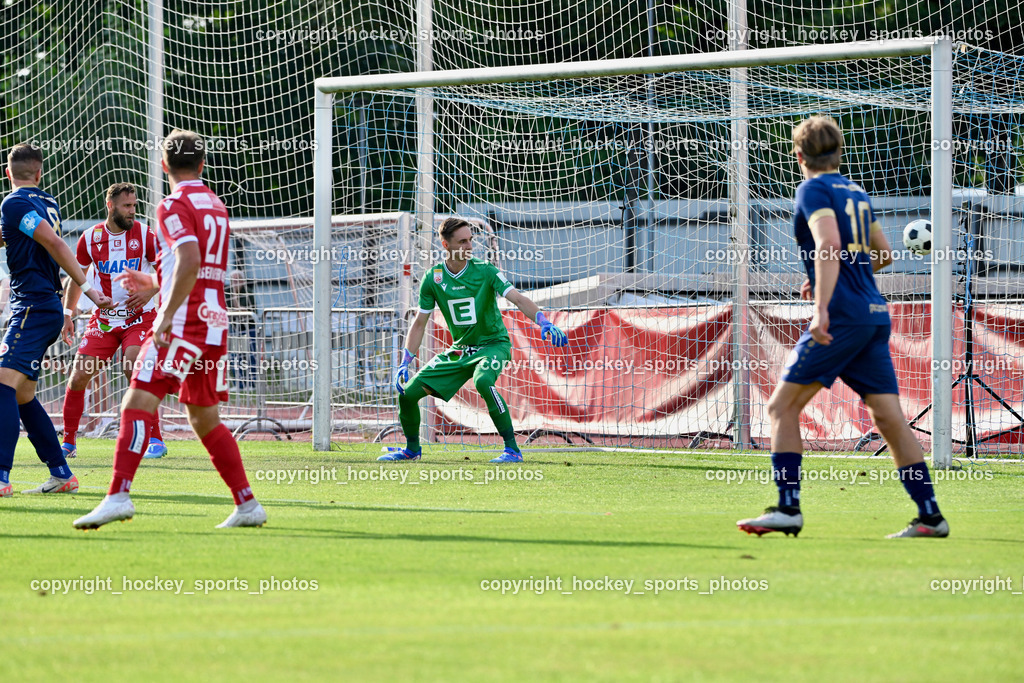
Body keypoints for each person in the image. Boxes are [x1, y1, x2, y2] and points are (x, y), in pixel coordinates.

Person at [737, 115, 949, 539]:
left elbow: (829, 245)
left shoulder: (812, 189)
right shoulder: (856, 192)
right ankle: (931, 517)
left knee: (781, 408)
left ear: (799, 156)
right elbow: (883, 254)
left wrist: (822, 305)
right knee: (889, 418)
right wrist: (831, 279)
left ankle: (787, 508)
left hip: (842, 318)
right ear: (840, 152)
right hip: (873, 315)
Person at [74, 129, 265, 529]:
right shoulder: (215, 204)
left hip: (184, 322)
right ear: (202, 164)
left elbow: (190, 260)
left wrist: (164, 314)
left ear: (163, 165)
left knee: (135, 404)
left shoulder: (173, 204)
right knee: (204, 419)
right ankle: (248, 505)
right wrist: (154, 281)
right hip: (214, 322)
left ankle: (118, 496)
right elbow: (199, 267)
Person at [379, 217, 568, 464]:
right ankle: (412, 450)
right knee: (406, 394)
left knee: (483, 380)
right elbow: (419, 323)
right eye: (462, 241)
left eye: (471, 240)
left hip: (494, 345)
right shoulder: (433, 278)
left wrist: (543, 321)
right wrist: (405, 360)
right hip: (460, 351)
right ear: (446, 245)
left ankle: (512, 450)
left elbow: (518, 298)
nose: (469, 246)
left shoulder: (486, 270)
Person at [0, 143, 112, 497]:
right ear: (39, 172)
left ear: (8, 173)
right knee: (23, 395)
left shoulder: (13, 202)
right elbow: (16, 237)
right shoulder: (46, 202)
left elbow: (55, 244)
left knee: (2, 384)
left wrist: (88, 290)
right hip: (42, 306)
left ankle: (1, 477)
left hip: (33, 306)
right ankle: (62, 474)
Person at [60, 183, 169, 459]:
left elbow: (170, 269)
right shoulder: (90, 238)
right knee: (79, 376)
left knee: (133, 366)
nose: (132, 211)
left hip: (139, 318)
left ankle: (155, 439)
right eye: (127, 206)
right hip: (105, 321)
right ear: (111, 206)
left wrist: (150, 290)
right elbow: (77, 278)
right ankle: (68, 442)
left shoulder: (145, 235)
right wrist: (67, 314)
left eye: (134, 205)